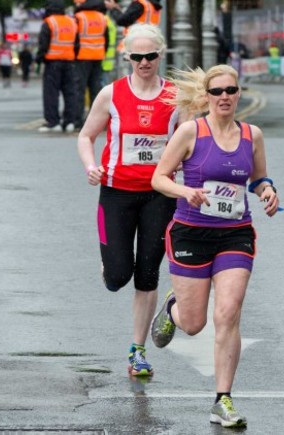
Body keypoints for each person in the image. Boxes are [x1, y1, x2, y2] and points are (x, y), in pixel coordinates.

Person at [149, 64, 279, 428]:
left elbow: (258, 178)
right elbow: (159, 177)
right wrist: (185, 191)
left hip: (235, 234)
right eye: (217, 91)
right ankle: (174, 309)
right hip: (191, 232)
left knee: (229, 312)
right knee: (193, 324)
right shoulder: (191, 131)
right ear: (206, 96)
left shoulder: (252, 135)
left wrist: (267, 191)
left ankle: (223, 400)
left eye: (231, 90)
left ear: (239, 94)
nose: (224, 97)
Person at [77, 24, 181, 377]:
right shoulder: (111, 94)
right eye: (137, 56)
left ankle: (137, 352)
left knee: (147, 273)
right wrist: (91, 166)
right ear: (127, 58)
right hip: (116, 193)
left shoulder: (176, 97)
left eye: (150, 55)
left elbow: (192, 142)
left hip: (159, 194)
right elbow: (86, 136)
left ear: (160, 55)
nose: (144, 62)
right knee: (118, 276)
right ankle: (112, 263)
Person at [36, 0, 79, 133]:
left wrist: (39, 59)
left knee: (51, 94)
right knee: (70, 93)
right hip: (69, 63)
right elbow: (77, 44)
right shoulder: (72, 22)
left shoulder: (49, 22)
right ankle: (70, 122)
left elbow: (43, 44)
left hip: (53, 63)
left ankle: (53, 122)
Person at [74, 0, 110, 129]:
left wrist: (75, 54)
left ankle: (78, 121)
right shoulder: (101, 17)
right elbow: (106, 38)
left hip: (82, 57)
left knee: (79, 90)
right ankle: (97, 122)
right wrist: (101, 52)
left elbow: (75, 38)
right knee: (96, 90)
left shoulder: (79, 17)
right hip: (98, 56)